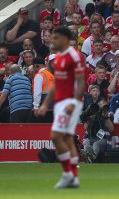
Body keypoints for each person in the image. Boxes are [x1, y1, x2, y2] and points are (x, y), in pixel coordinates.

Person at [36, 26, 85, 189]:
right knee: (67, 139)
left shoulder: (74, 56)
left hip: (69, 101)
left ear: (64, 39)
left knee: (56, 136)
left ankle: (67, 174)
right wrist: (44, 104)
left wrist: (74, 101)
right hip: (59, 101)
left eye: (56, 38)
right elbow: (56, 84)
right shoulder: (57, 59)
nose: (52, 41)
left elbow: (80, 81)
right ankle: (73, 177)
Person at [31, 57, 54, 123]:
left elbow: (37, 93)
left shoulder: (39, 75)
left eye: (33, 66)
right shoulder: (51, 75)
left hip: (44, 104)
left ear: (36, 65)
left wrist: (35, 107)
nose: (33, 68)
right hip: (54, 105)